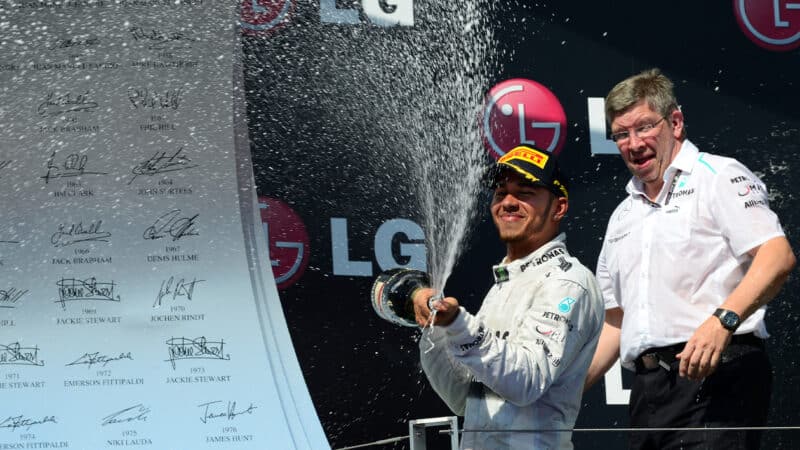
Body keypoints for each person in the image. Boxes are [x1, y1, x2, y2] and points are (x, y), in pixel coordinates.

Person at [584, 68, 796, 449]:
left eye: (645, 127)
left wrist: (722, 321)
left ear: (675, 122)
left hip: (717, 376)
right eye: (621, 134)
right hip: (649, 392)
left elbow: (776, 255)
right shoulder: (622, 215)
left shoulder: (717, 175)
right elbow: (616, 321)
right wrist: (567, 390)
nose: (633, 143)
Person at [412, 145, 605, 450]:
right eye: (500, 193)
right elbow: (462, 398)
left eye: (525, 192)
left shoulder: (567, 282)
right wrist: (435, 325)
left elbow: (526, 382)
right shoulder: (505, 283)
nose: (508, 202)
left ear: (559, 207)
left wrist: (460, 326)